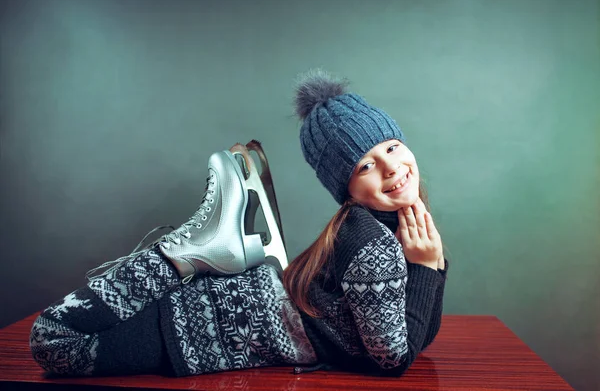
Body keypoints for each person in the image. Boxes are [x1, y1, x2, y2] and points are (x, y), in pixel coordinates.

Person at [29, 69, 448, 377]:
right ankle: (179, 253)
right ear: (347, 189)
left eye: (392, 146)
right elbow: (393, 359)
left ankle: (189, 252)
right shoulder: (372, 242)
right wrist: (427, 269)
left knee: (56, 338)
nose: (391, 167)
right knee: (52, 341)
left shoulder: (384, 231)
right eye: (365, 166)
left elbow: (416, 337)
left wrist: (430, 264)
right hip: (202, 328)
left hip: (235, 313)